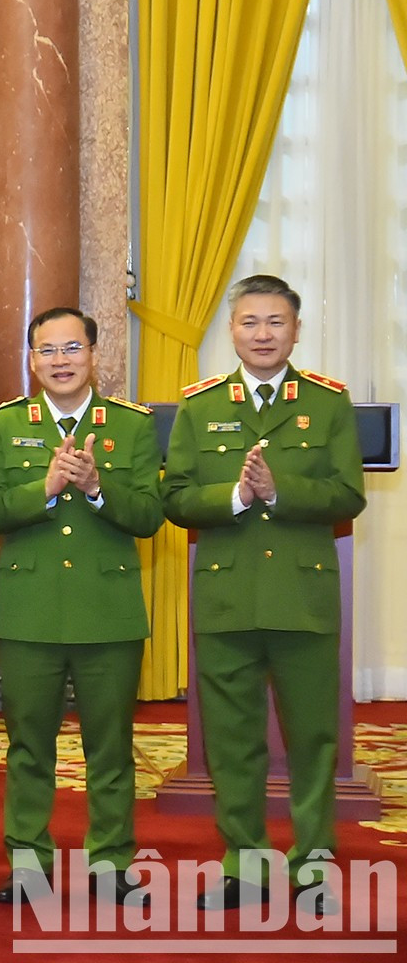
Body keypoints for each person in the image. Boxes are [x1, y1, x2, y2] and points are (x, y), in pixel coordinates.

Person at [162, 274, 364, 910]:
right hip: (228, 601)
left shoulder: (329, 403)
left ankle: (312, 865)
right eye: (250, 322)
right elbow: (176, 498)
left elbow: (349, 494)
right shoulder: (200, 405)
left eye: (276, 322)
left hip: (303, 599)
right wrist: (236, 497)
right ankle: (243, 863)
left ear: (296, 329)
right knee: (232, 739)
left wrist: (280, 494)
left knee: (312, 739)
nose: (263, 334)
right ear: (232, 329)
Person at [0, 307, 160, 907]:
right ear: (32, 360)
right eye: (47, 350)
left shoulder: (131, 425)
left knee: (111, 747)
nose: (60, 360)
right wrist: (47, 489)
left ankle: (112, 864)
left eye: (71, 348)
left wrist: (98, 488)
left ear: (94, 354)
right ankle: (31, 867)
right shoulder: (4, 425)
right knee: (30, 748)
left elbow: (150, 516)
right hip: (31, 614)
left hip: (108, 612)